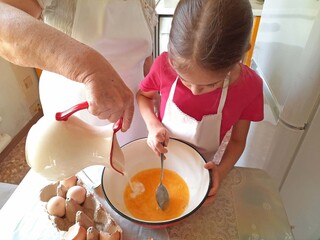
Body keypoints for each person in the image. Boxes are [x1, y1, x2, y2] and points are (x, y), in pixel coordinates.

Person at [137, 0, 264, 204]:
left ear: (240, 56)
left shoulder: (249, 88)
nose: (195, 91)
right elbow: (143, 96)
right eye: (185, 80)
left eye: (211, 84)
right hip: (159, 156)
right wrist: (153, 126)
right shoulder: (163, 66)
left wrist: (220, 172)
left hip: (201, 168)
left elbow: (238, 141)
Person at [0, 0, 157, 146]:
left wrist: (153, 86)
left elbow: (141, 44)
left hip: (137, 108)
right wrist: (89, 69)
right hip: (78, 112)